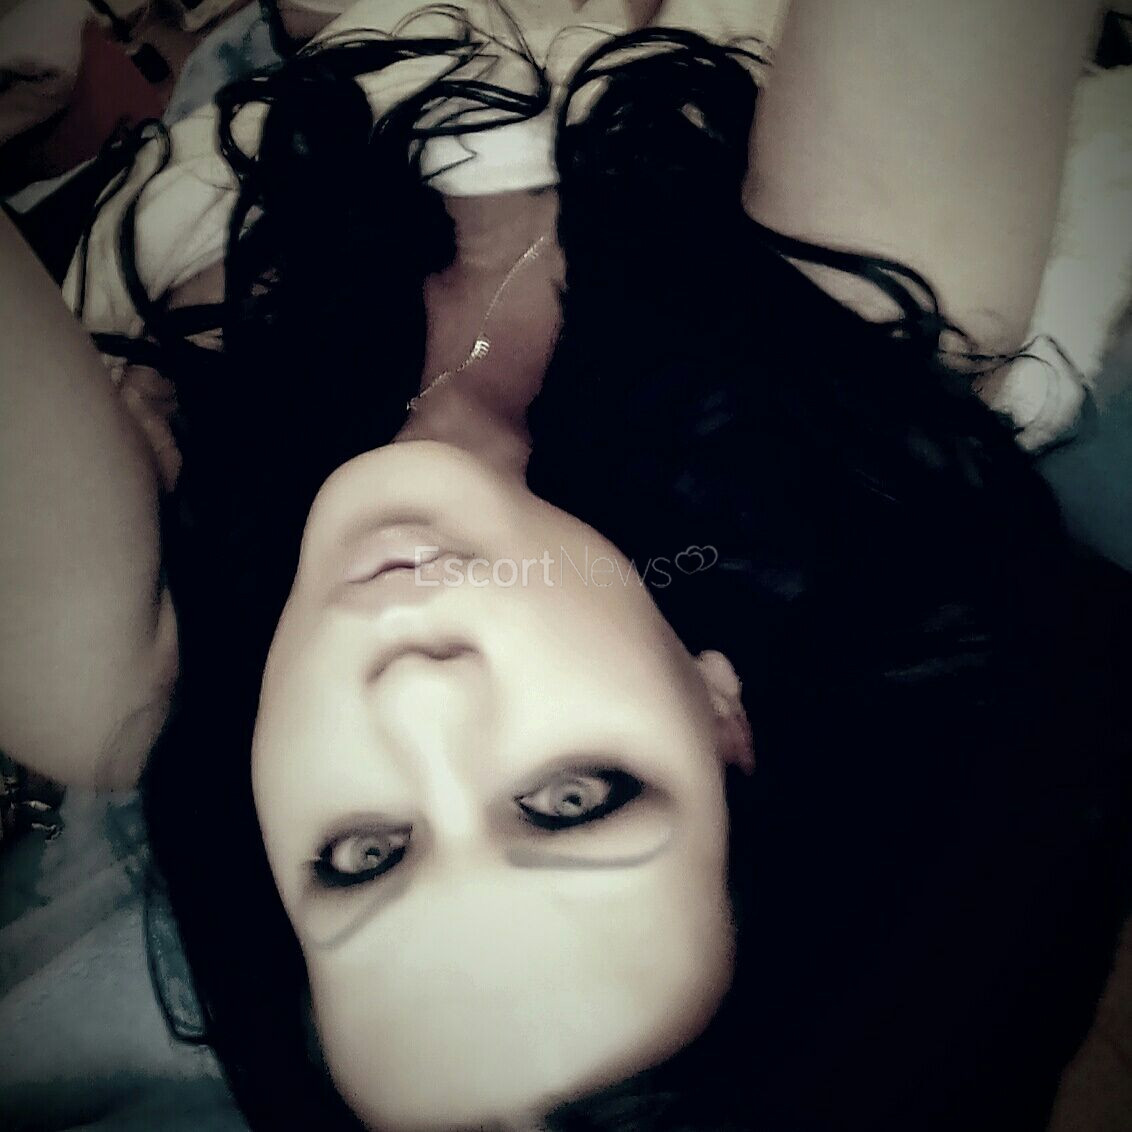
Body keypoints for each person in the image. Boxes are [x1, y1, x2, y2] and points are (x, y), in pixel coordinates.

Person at [2, 2, 1127, 1129]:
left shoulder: (122, 669)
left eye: (363, 854)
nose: (417, 698)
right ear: (724, 718)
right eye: (574, 798)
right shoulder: (861, 390)